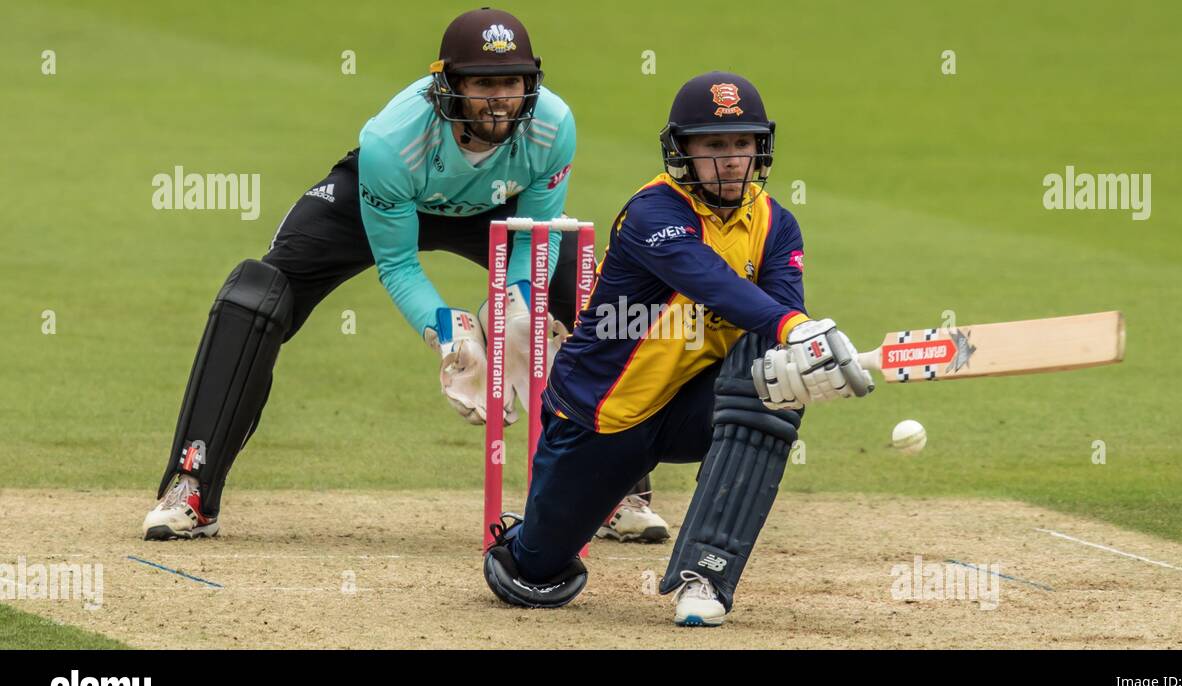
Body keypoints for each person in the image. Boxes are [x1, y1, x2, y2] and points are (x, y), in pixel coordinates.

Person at [142, 7, 667, 543]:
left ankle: (617, 488)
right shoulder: (391, 141)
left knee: (591, 297)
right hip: (390, 197)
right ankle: (192, 486)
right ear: (448, 85)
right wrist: (448, 330)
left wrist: (516, 306)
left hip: (494, 207)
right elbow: (397, 263)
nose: (499, 98)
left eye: (511, 83)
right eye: (482, 83)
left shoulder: (552, 124)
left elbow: (539, 235)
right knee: (256, 295)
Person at [482, 71, 873, 626]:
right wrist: (794, 327)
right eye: (713, 145)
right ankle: (537, 536)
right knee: (535, 573)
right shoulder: (652, 213)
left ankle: (706, 576)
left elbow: (777, 325)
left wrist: (811, 356)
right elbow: (711, 280)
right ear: (682, 150)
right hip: (602, 413)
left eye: (742, 143)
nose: (731, 159)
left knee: (775, 382)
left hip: (695, 404)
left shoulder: (776, 225)